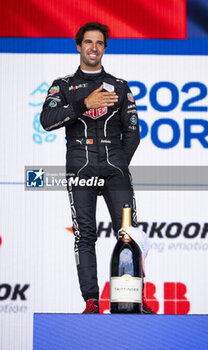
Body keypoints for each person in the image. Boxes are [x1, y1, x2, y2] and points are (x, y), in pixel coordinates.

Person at [40, 22, 154, 314]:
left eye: (99, 43)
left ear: (105, 48)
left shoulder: (119, 86)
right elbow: (47, 120)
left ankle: (133, 299)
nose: (93, 48)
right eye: (88, 42)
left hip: (114, 168)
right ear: (78, 46)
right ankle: (92, 301)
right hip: (81, 169)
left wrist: (117, 163)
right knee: (85, 235)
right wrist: (83, 104)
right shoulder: (63, 85)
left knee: (129, 233)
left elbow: (134, 131)